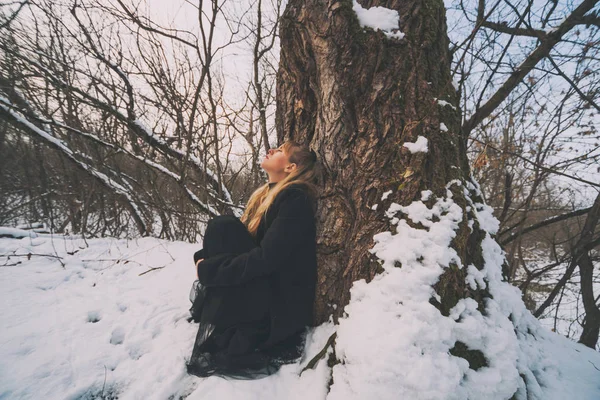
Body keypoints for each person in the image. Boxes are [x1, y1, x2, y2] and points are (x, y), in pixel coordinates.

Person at [186, 140, 320, 379]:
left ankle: (232, 316)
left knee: (224, 225)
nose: (270, 150)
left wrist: (208, 270)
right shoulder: (266, 196)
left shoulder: (294, 200)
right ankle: (225, 311)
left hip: (279, 306)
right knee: (223, 225)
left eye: (279, 151)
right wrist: (202, 260)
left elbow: (265, 258)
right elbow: (243, 242)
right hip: (266, 288)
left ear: (290, 167)